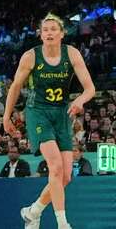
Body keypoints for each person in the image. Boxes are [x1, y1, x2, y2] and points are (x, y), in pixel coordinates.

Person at [5, 13, 96, 229]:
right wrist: (6, 116)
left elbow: (90, 88)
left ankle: (33, 211)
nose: (49, 33)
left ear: (62, 33)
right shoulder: (30, 56)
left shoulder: (71, 54)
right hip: (38, 112)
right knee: (54, 167)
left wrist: (80, 100)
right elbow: (16, 87)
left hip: (62, 114)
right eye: (45, 30)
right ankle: (62, 224)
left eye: (53, 29)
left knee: (64, 178)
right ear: (40, 35)